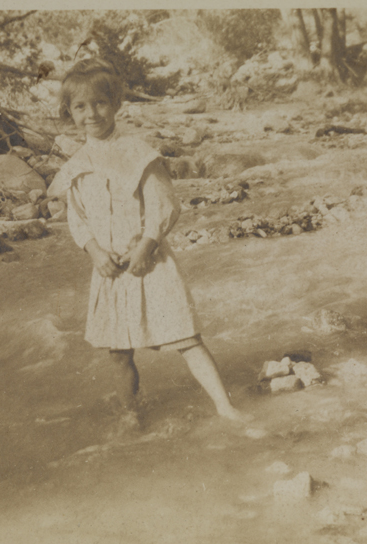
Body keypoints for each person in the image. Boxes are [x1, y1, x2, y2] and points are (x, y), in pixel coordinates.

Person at [49, 58, 249, 423]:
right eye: (80, 107)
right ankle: (131, 413)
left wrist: (147, 244)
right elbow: (78, 219)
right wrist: (94, 252)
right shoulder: (76, 166)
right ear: (69, 112)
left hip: (150, 262)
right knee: (119, 352)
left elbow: (165, 204)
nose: (91, 114)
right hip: (109, 268)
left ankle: (225, 406)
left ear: (116, 105)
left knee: (186, 338)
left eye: (100, 103)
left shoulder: (138, 153)